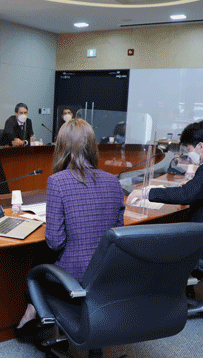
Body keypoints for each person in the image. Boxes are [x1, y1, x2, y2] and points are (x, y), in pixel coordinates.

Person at [15, 118, 125, 340]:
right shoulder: (114, 182)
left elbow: (55, 242)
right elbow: (117, 235)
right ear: (92, 146)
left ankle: (31, 313)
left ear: (61, 147)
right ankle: (35, 313)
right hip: (107, 276)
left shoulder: (58, 182)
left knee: (38, 262)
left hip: (75, 278)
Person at [128, 120, 203, 236]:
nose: (189, 154)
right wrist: (193, 184)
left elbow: (186, 195)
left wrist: (146, 193)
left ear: (200, 146)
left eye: (189, 149)